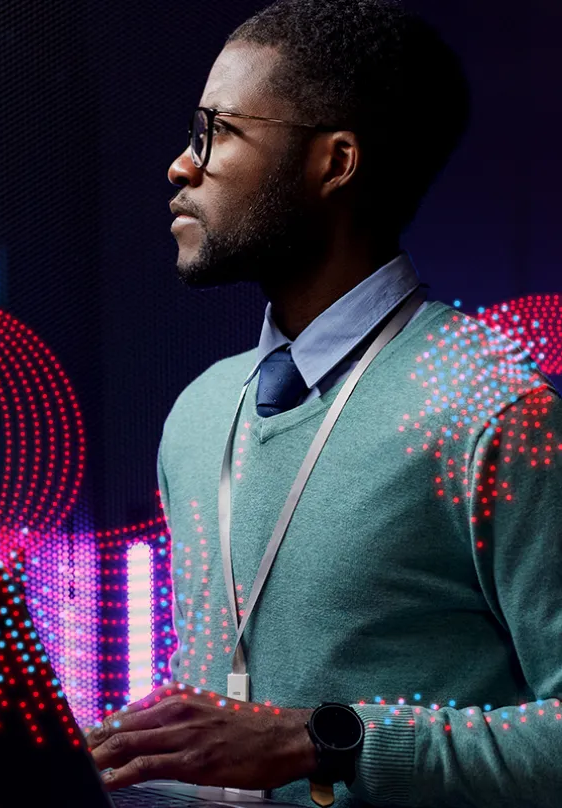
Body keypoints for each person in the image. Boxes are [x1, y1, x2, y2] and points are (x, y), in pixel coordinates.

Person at [86, 1, 562, 806]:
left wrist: (320, 742)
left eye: (216, 132)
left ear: (335, 163)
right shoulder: (200, 411)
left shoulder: (498, 409)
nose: (179, 164)